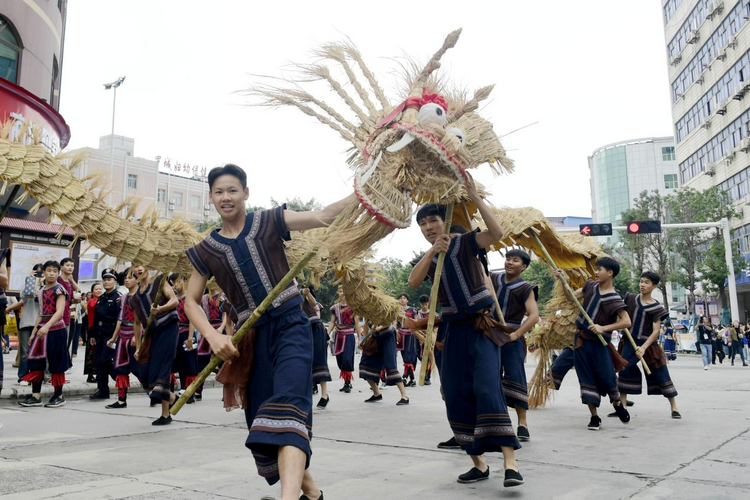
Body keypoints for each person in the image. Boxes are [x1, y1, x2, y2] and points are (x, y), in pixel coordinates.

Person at [184, 164, 353, 500]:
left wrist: (363, 193)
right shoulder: (205, 250)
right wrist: (213, 336)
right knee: (264, 425)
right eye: (219, 192)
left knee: (288, 410)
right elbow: (190, 300)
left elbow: (323, 216)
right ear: (211, 198)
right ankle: (313, 494)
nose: (226, 197)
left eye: (232, 190)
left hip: (292, 326)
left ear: (246, 193)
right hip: (251, 340)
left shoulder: (270, 220)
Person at [409, 181, 524, 489]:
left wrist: (474, 197)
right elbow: (413, 280)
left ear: (443, 221)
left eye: (432, 220)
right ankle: (479, 463)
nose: (428, 227)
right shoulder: (431, 254)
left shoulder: (464, 242)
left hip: (481, 326)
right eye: (422, 224)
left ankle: (510, 464)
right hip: (452, 332)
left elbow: (496, 234)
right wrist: (433, 250)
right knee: (455, 395)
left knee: (487, 387)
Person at [558, 257, 632, 430]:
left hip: (599, 344)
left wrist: (603, 327)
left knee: (607, 378)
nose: (596, 272)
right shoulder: (590, 286)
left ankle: (617, 403)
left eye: (600, 269)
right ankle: (594, 417)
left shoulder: (614, 298)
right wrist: (563, 281)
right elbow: (570, 297)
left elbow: (626, 321)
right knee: (586, 378)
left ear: (610, 273)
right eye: (596, 269)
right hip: (581, 342)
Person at [612, 271, 681, 419]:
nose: (642, 285)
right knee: (624, 370)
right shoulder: (630, 298)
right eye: (641, 281)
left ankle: (674, 407)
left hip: (649, 345)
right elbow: (622, 315)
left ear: (654, 286)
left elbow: (656, 331)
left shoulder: (656, 308)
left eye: (647, 282)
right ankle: (622, 407)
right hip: (629, 342)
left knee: (661, 373)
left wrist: (643, 348)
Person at [490, 248, 540, 442]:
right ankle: (495, 422)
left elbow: (534, 315)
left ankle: (522, 423)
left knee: (515, 377)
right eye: (508, 259)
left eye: (515, 260)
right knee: (489, 377)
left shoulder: (526, 288)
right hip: (489, 334)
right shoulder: (492, 279)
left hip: (511, 338)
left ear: (524, 266)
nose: (510, 262)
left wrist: (517, 333)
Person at [18, 260, 69, 408]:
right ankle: (36, 396)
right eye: (49, 270)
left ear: (58, 273)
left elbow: (59, 312)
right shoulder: (40, 291)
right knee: (35, 362)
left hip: (56, 330)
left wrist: (46, 326)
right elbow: (41, 313)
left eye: (55, 271)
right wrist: (34, 331)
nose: (52, 273)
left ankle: (59, 395)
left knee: (56, 363)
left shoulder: (60, 290)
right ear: (44, 273)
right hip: (41, 329)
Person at [105, 268, 140, 409]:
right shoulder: (123, 298)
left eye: (130, 277)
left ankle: (154, 394)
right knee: (121, 368)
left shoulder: (141, 297)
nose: (127, 279)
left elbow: (145, 319)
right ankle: (121, 400)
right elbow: (120, 319)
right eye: (125, 277)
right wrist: (113, 337)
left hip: (135, 335)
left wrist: (137, 336)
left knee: (139, 369)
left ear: (138, 279)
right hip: (122, 335)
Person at [6, 264, 43, 386]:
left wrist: (41, 282)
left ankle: (36, 376)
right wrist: (31, 281)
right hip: (26, 322)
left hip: (40, 323)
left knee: (37, 352)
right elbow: (24, 296)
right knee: (24, 353)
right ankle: (22, 377)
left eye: (41, 273)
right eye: (36, 273)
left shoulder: (46, 287)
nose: (39, 275)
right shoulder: (27, 285)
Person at [89, 269, 122, 400]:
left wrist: (116, 336)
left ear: (115, 281)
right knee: (99, 362)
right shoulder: (101, 298)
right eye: (105, 279)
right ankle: (103, 390)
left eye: (109, 279)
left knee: (106, 361)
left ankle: (121, 381)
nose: (107, 282)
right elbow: (96, 318)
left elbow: (120, 318)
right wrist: (92, 335)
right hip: (100, 333)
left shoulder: (117, 298)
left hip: (111, 332)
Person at [359, 322, 409, 405]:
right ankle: (376, 393)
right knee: (365, 364)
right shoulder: (365, 310)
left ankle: (405, 396)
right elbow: (365, 325)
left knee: (391, 366)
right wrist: (364, 340)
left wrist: (379, 327)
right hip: (376, 337)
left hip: (388, 335)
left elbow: (390, 320)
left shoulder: (384, 309)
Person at [195, 279, 228, 400]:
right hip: (208, 330)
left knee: (223, 361)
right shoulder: (204, 298)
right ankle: (198, 390)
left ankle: (227, 391)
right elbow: (203, 317)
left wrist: (221, 328)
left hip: (220, 329)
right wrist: (201, 332)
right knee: (201, 361)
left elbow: (226, 315)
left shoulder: (222, 295)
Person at [171, 273, 199, 404]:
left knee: (189, 364)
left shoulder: (189, 298)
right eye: (172, 283)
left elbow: (193, 319)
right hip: (176, 333)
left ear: (183, 281)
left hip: (187, 331)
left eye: (176, 282)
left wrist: (189, 338)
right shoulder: (174, 299)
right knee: (180, 363)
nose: (175, 286)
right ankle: (183, 388)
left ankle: (191, 391)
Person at [302, 287, 331, 409]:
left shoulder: (305, 295)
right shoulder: (286, 297)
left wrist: (307, 293)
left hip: (316, 329)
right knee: (304, 362)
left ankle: (325, 394)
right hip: (302, 331)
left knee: (319, 361)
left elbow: (314, 303)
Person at [328, 293, 359, 393]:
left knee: (347, 358)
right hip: (339, 335)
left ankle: (347, 382)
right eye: (340, 291)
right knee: (340, 359)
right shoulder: (335, 308)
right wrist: (327, 334)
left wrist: (360, 338)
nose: (342, 293)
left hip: (349, 335)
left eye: (344, 291)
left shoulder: (354, 307)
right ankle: (346, 381)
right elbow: (332, 322)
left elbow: (357, 323)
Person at [396, 293, 419, 387]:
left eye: (404, 298)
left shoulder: (412, 310)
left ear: (407, 300)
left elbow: (416, 322)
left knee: (408, 357)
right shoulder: (396, 310)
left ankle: (404, 377)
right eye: (400, 298)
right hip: (400, 335)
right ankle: (412, 379)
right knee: (404, 356)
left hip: (410, 335)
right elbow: (395, 323)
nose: (402, 300)